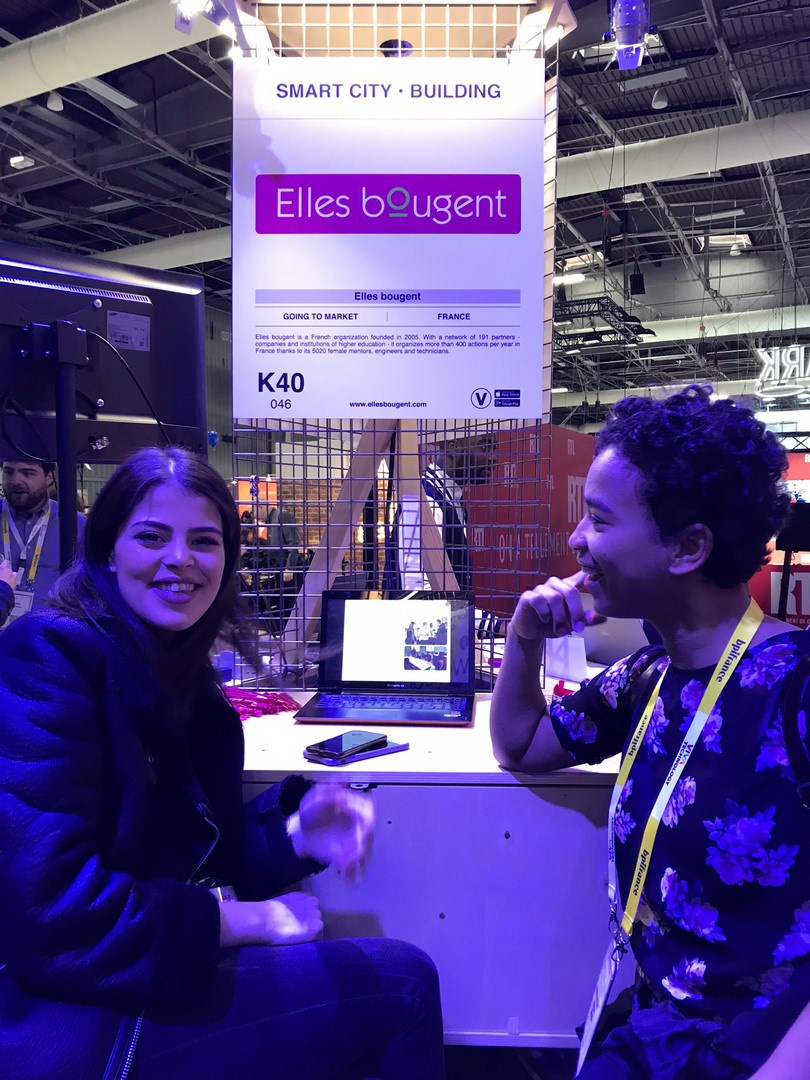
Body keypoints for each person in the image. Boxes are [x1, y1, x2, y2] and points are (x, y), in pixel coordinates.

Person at [0, 446, 445, 1080]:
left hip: (129, 979)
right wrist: (241, 920)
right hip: (66, 1020)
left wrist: (297, 835)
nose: (180, 559)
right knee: (403, 984)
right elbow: (51, 911)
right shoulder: (48, 657)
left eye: (204, 541)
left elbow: (192, 857)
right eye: (152, 537)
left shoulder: (180, 680)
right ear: (108, 550)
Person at [490, 386, 810, 1079]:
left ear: (688, 547)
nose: (577, 540)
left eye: (600, 520)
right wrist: (523, 638)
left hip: (763, 1050)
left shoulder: (796, 685)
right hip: (656, 1036)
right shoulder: (648, 677)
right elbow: (521, 744)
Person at [387, 433, 495, 593]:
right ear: (453, 447)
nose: (493, 458)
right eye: (485, 446)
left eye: (494, 448)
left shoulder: (449, 497)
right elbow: (418, 590)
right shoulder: (428, 500)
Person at [1, 458, 86, 613]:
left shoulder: (75, 524)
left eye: (27, 473)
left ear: (49, 478)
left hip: (50, 625)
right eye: (8, 472)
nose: (15, 481)